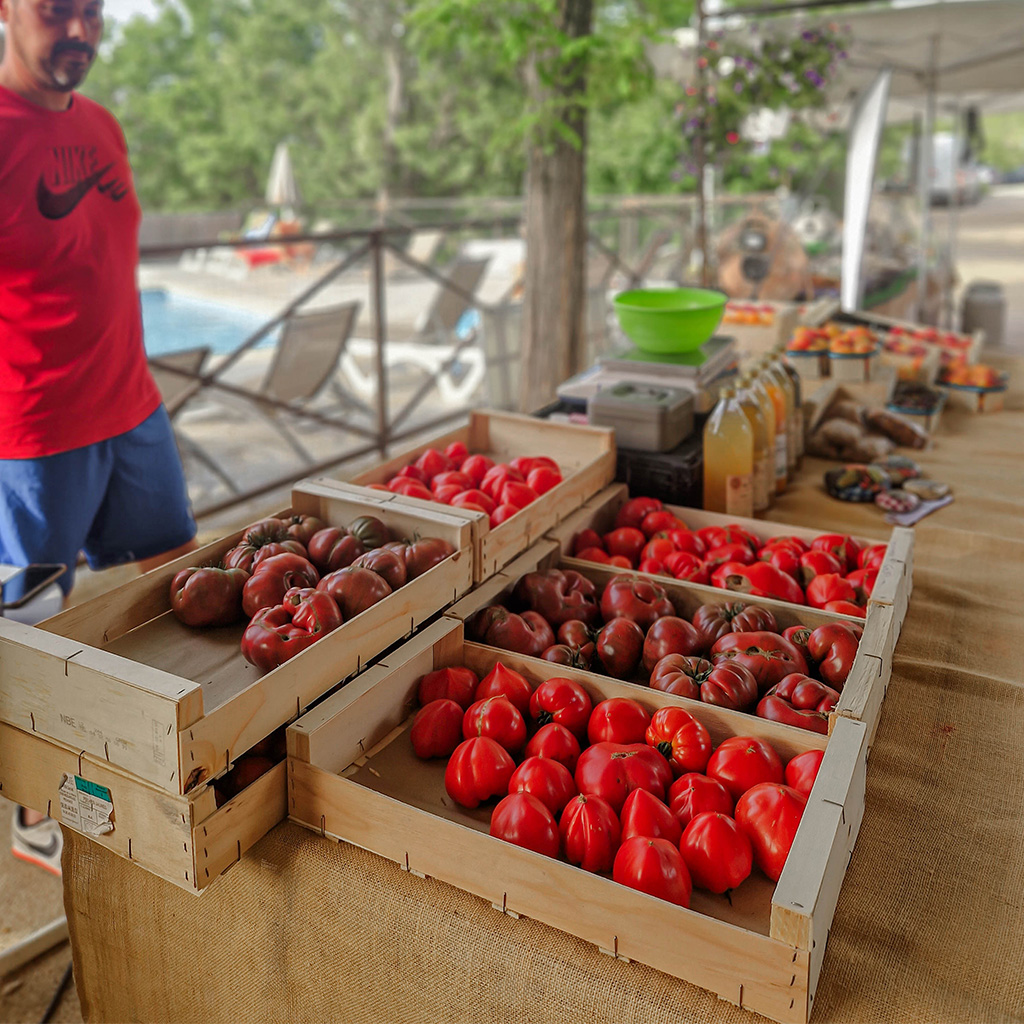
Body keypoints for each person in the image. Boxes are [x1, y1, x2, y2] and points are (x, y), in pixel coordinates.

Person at [0, 0, 199, 875]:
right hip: (34, 436)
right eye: (55, 11)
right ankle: (39, 818)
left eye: (90, 11)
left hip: (133, 408)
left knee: (190, 590)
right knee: (35, 637)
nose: (77, 29)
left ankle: (186, 756)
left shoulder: (103, 125)